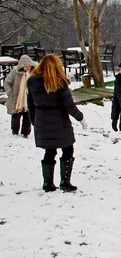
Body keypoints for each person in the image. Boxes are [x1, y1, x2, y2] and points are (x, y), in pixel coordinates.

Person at [26, 54, 86, 192]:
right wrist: (80, 118)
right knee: (67, 150)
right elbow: (69, 106)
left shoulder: (32, 82)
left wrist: (35, 122)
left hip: (42, 120)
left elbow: (31, 106)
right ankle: (65, 182)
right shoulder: (59, 82)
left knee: (49, 151)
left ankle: (48, 183)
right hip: (60, 121)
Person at [4, 54, 36, 138]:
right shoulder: (14, 73)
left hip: (28, 97)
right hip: (17, 98)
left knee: (28, 115)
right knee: (16, 116)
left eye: (29, 66)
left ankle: (26, 132)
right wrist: (10, 93)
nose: (28, 68)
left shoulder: (32, 73)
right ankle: (15, 131)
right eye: (26, 66)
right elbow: (7, 83)